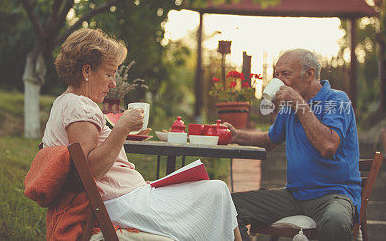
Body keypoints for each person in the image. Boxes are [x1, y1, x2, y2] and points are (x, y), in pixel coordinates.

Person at [42, 28, 241, 241]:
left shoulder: (64, 103)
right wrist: (122, 127)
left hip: (123, 199)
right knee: (217, 191)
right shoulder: (81, 107)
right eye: (109, 74)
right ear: (87, 71)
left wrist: (119, 133)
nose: (114, 83)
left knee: (213, 192)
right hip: (123, 204)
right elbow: (89, 170)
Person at [225, 49, 361, 241]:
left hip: (334, 194)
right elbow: (268, 141)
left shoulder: (336, 100)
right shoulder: (289, 108)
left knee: (335, 221)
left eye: (285, 74)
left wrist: (299, 104)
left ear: (309, 74)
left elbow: (328, 146)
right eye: (277, 75)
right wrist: (235, 135)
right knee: (227, 205)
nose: (279, 80)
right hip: (295, 195)